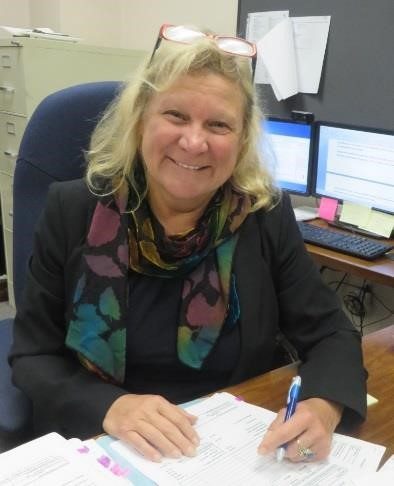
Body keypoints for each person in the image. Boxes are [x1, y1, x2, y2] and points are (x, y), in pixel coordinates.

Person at [10, 23, 366, 464]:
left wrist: (323, 405)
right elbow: (33, 355)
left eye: (218, 124)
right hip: (101, 443)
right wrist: (110, 406)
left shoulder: (262, 214)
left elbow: (331, 331)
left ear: (241, 141)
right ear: (141, 118)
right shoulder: (74, 210)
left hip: (229, 448)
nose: (194, 142)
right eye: (176, 116)